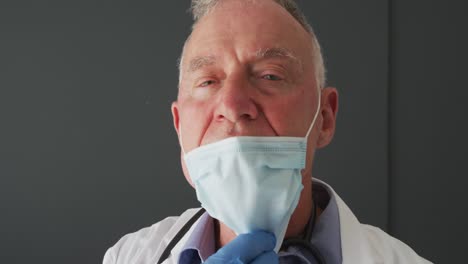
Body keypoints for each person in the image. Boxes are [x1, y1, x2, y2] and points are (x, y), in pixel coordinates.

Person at [103, 0, 432, 263]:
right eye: (207, 81)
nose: (232, 104)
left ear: (325, 116)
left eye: (270, 75)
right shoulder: (128, 257)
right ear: (179, 127)